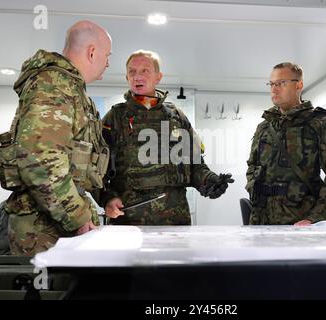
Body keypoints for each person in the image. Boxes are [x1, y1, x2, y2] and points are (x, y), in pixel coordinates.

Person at [4, 20, 112, 255]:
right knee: (52, 292)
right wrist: (79, 217)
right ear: (92, 52)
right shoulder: (55, 83)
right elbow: (40, 158)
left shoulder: (71, 89)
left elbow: (80, 166)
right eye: (107, 56)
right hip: (44, 231)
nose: (108, 63)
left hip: (57, 223)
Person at [97, 50, 233, 225]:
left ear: (158, 77)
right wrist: (107, 199)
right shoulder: (114, 118)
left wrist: (209, 181)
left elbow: (193, 165)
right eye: (132, 72)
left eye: (144, 71)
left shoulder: (176, 116)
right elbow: (94, 171)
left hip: (176, 220)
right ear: (127, 77)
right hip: (129, 221)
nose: (137, 76)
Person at [246, 62, 326, 226]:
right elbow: (252, 167)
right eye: (272, 84)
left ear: (299, 85)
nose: (274, 89)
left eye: (281, 83)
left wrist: (315, 219)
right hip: (261, 224)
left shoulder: (320, 124)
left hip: (301, 227)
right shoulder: (264, 127)